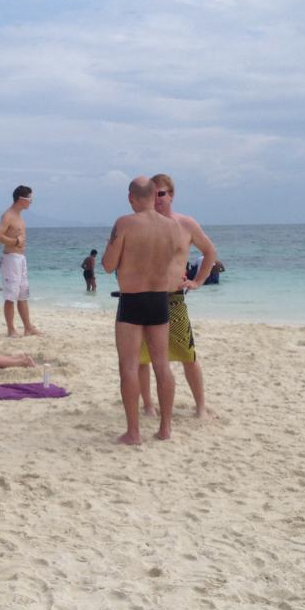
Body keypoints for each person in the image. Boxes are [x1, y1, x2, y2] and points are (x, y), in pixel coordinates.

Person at [101, 176, 185, 445]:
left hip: (132, 299)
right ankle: (165, 428)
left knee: (129, 366)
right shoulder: (172, 226)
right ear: (153, 195)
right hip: (160, 299)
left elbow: (108, 265)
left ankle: (133, 432)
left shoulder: (125, 223)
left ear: (130, 197)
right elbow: (174, 260)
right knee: (162, 364)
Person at [137, 173, 219, 418]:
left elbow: (210, 252)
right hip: (144, 296)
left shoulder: (186, 224)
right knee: (142, 357)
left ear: (171, 195)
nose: (156, 198)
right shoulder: (139, 223)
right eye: (152, 194)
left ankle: (200, 406)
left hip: (173, 298)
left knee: (187, 355)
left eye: (161, 193)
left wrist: (198, 281)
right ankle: (148, 405)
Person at [0, 184, 41, 336]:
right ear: (21, 199)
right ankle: (11, 329)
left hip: (20, 258)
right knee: (10, 296)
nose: (31, 201)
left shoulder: (19, 216)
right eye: (30, 198)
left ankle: (28, 327)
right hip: (11, 260)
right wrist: (15, 242)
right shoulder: (8, 215)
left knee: (23, 294)